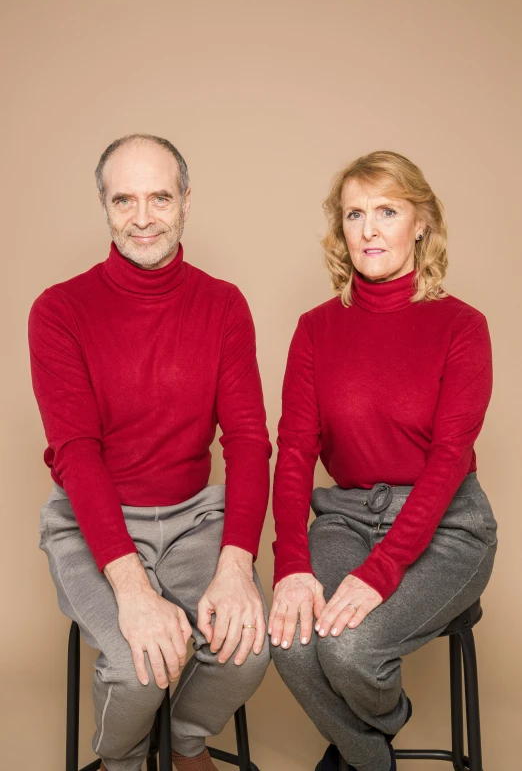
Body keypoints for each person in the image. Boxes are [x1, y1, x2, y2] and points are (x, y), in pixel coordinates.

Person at [29, 134, 272, 771]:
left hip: (194, 515)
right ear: (105, 208)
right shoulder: (58, 310)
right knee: (140, 672)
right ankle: (124, 759)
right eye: (124, 200)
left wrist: (236, 565)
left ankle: (186, 744)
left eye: (159, 197)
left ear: (186, 201)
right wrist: (131, 589)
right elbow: (76, 453)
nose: (142, 217)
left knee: (248, 647)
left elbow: (247, 441)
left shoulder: (222, 304)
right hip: (95, 520)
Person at [269, 150, 497, 771]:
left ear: (420, 222)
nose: (368, 229)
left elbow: (450, 461)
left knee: (350, 651)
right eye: (354, 214)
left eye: (387, 211)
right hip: (345, 518)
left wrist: (382, 571)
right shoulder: (316, 329)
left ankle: (361, 744)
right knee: (290, 644)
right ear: (340, 228)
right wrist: (290, 563)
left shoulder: (462, 327)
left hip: (446, 524)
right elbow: (293, 453)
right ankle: (373, 751)